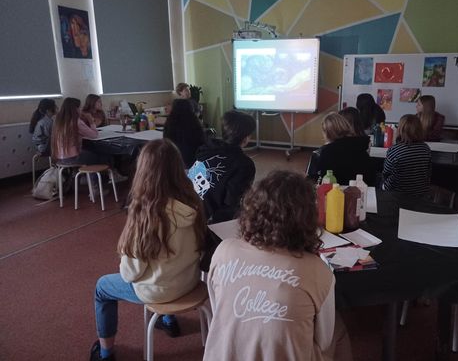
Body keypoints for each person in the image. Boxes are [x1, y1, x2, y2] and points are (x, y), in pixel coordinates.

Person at [203, 170, 352, 361]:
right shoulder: (318, 271)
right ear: (308, 219)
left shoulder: (224, 250)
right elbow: (324, 341)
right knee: (339, 331)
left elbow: (218, 308)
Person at [90, 139, 207, 361]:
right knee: (168, 263)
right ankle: (169, 320)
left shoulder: (146, 215)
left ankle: (105, 353)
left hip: (158, 291)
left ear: (143, 171)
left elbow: (130, 274)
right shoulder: (193, 204)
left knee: (102, 288)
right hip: (189, 282)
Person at [188, 110, 256, 223]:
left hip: (184, 209)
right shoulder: (244, 164)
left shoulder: (206, 148)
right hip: (205, 222)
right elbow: (232, 203)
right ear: (246, 138)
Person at [308, 112, 375, 186]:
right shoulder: (361, 144)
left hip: (337, 190)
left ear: (327, 133)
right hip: (366, 188)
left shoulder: (327, 151)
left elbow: (321, 179)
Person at [382, 114, 431, 196]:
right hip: (420, 194)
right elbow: (428, 172)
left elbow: (386, 173)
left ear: (400, 129)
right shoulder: (426, 149)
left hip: (397, 195)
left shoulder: (395, 150)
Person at [163, 99, 205, 168]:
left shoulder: (170, 123)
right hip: (194, 161)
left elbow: (166, 142)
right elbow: (202, 141)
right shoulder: (195, 123)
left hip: (175, 161)